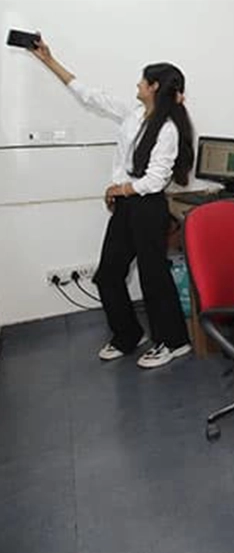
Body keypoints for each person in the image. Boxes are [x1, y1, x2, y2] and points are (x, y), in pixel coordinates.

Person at [32, 38, 193, 368]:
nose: (137, 84)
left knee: (153, 277)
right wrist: (49, 60)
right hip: (128, 205)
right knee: (108, 274)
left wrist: (119, 189)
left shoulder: (168, 129)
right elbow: (90, 95)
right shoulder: (134, 115)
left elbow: (154, 181)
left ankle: (174, 342)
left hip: (148, 208)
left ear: (154, 86)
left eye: (142, 80)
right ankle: (128, 335)